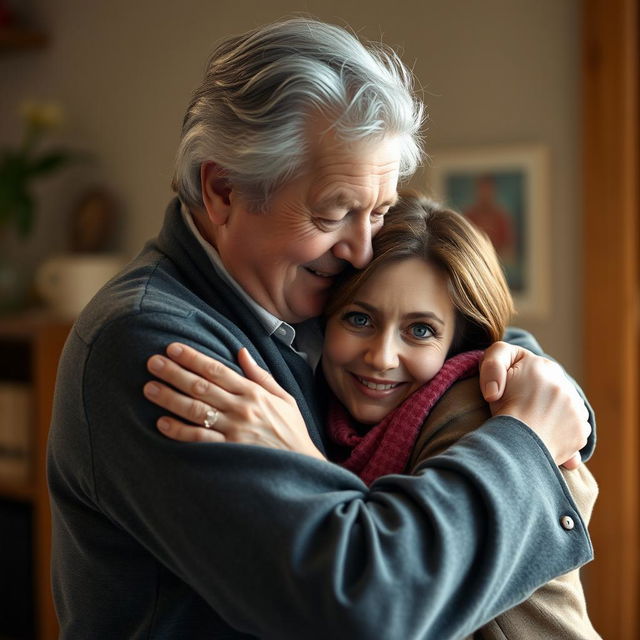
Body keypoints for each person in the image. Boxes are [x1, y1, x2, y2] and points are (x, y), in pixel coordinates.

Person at [47, 18, 593, 639]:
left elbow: (447, 332)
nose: (362, 251)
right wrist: (525, 438)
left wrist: (535, 376)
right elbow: (364, 606)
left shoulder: (299, 297)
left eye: (380, 212)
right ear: (223, 190)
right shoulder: (152, 348)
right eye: (335, 212)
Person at [145, 194, 600, 639]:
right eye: (360, 319)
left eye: (420, 330)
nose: (382, 357)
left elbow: (401, 598)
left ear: (460, 342)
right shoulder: (330, 407)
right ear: (324, 323)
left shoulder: (475, 411)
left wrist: (302, 462)